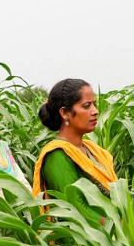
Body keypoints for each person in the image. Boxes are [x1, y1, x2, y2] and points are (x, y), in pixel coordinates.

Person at [32, 78, 118, 224]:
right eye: (86, 106)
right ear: (65, 113)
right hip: (86, 241)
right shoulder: (57, 155)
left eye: (94, 105)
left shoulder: (93, 150)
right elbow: (76, 209)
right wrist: (120, 228)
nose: (95, 111)